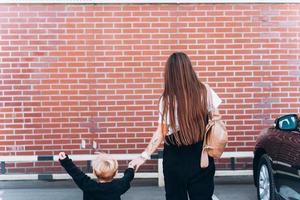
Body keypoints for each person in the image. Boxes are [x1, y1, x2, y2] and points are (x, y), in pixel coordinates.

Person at [129, 52, 222, 200]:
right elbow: (216, 120)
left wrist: (143, 156)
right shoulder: (205, 91)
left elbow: (161, 133)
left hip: (174, 159)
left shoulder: (166, 100)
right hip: (201, 156)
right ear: (189, 69)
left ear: (170, 74)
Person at [58, 152, 134, 200]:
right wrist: (130, 168)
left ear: (94, 172)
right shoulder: (119, 186)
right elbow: (127, 178)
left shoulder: (88, 185)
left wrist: (65, 160)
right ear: (116, 173)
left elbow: (76, 173)